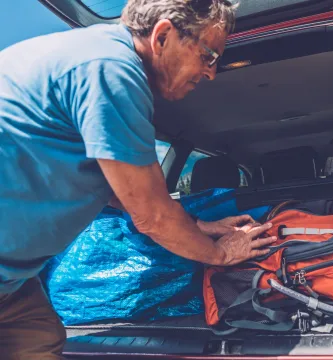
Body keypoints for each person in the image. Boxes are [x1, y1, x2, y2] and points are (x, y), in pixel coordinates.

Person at [0, 0, 277, 358]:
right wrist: (221, 253)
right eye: (208, 56)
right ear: (163, 35)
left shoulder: (94, 56)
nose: (211, 72)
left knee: (39, 338)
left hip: (13, 280)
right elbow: (153, 216)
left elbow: (121, 195)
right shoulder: (111, 70)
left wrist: (199, 224)